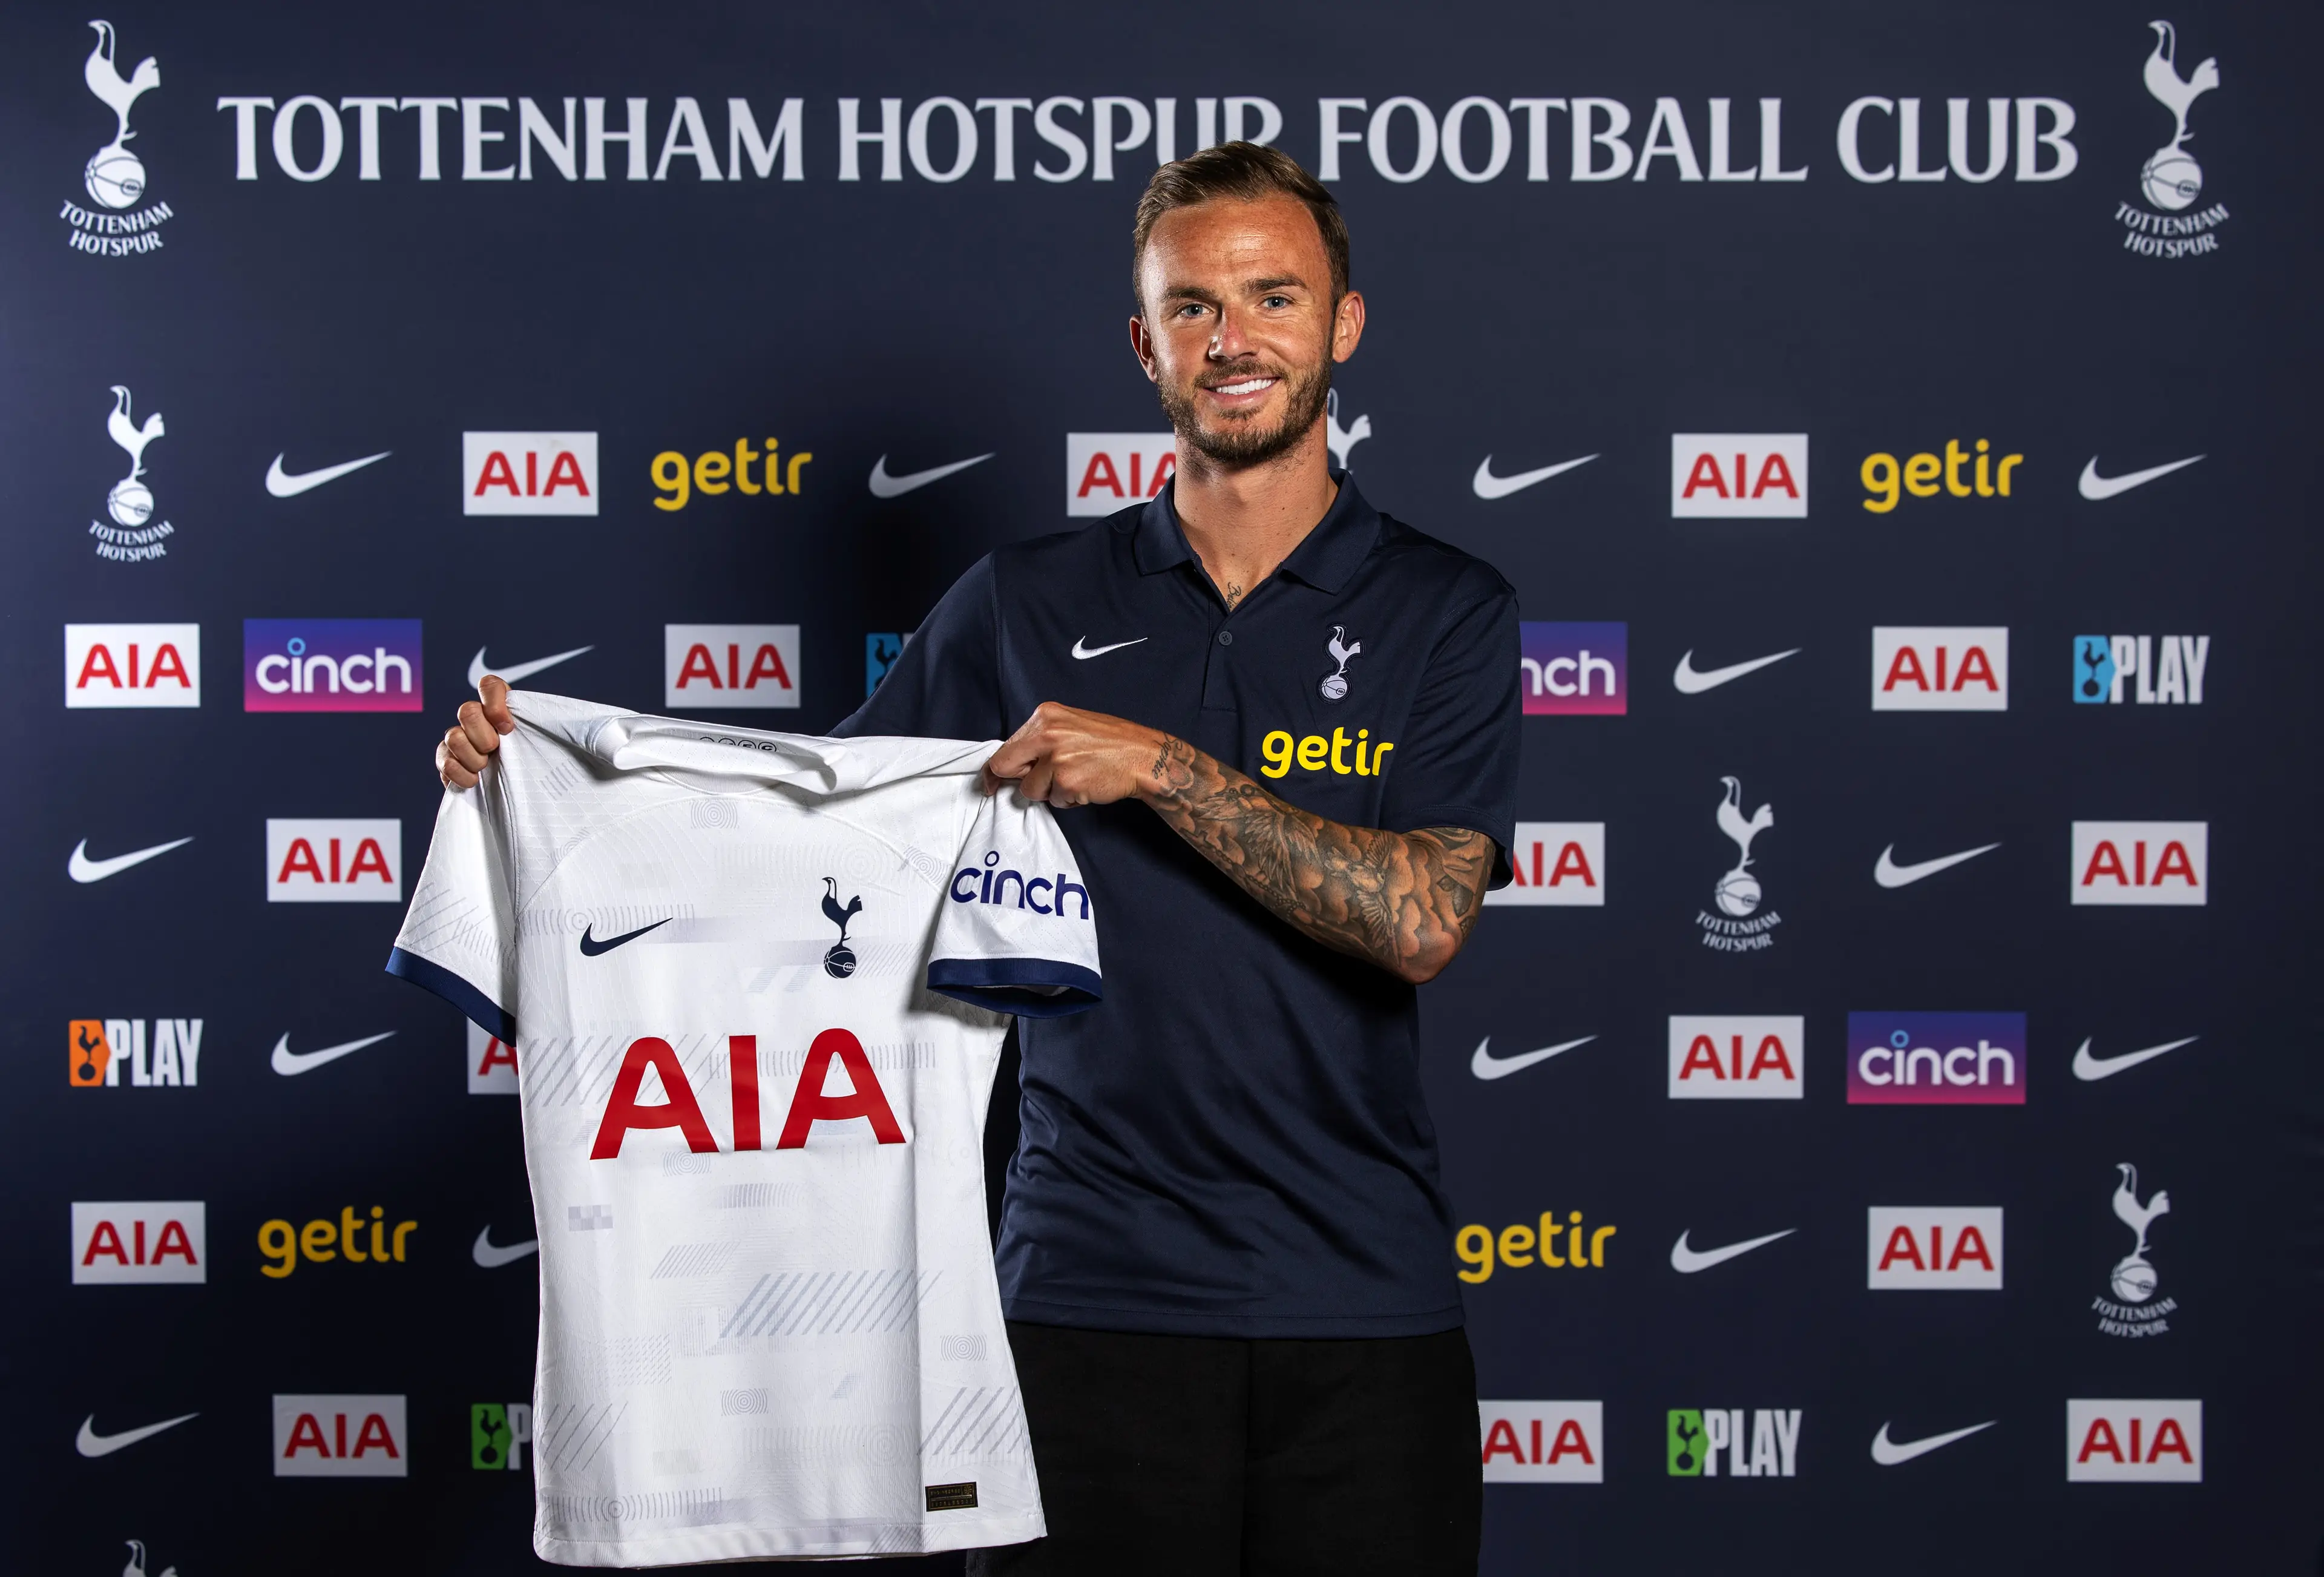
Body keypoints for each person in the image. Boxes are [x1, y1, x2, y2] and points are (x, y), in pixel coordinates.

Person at [438, 142, 1520, 1576]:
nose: (1234, 338)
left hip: (1364, 1305)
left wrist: (1164, 770)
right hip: (1081, 1299)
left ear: (1345, 324)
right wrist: (549, 776)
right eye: (1193, 306)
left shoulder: (1447, 607)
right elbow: (802, 838)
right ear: (1146, 344)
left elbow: (1423, 919)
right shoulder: (1024, 603)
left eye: (1274, 297)